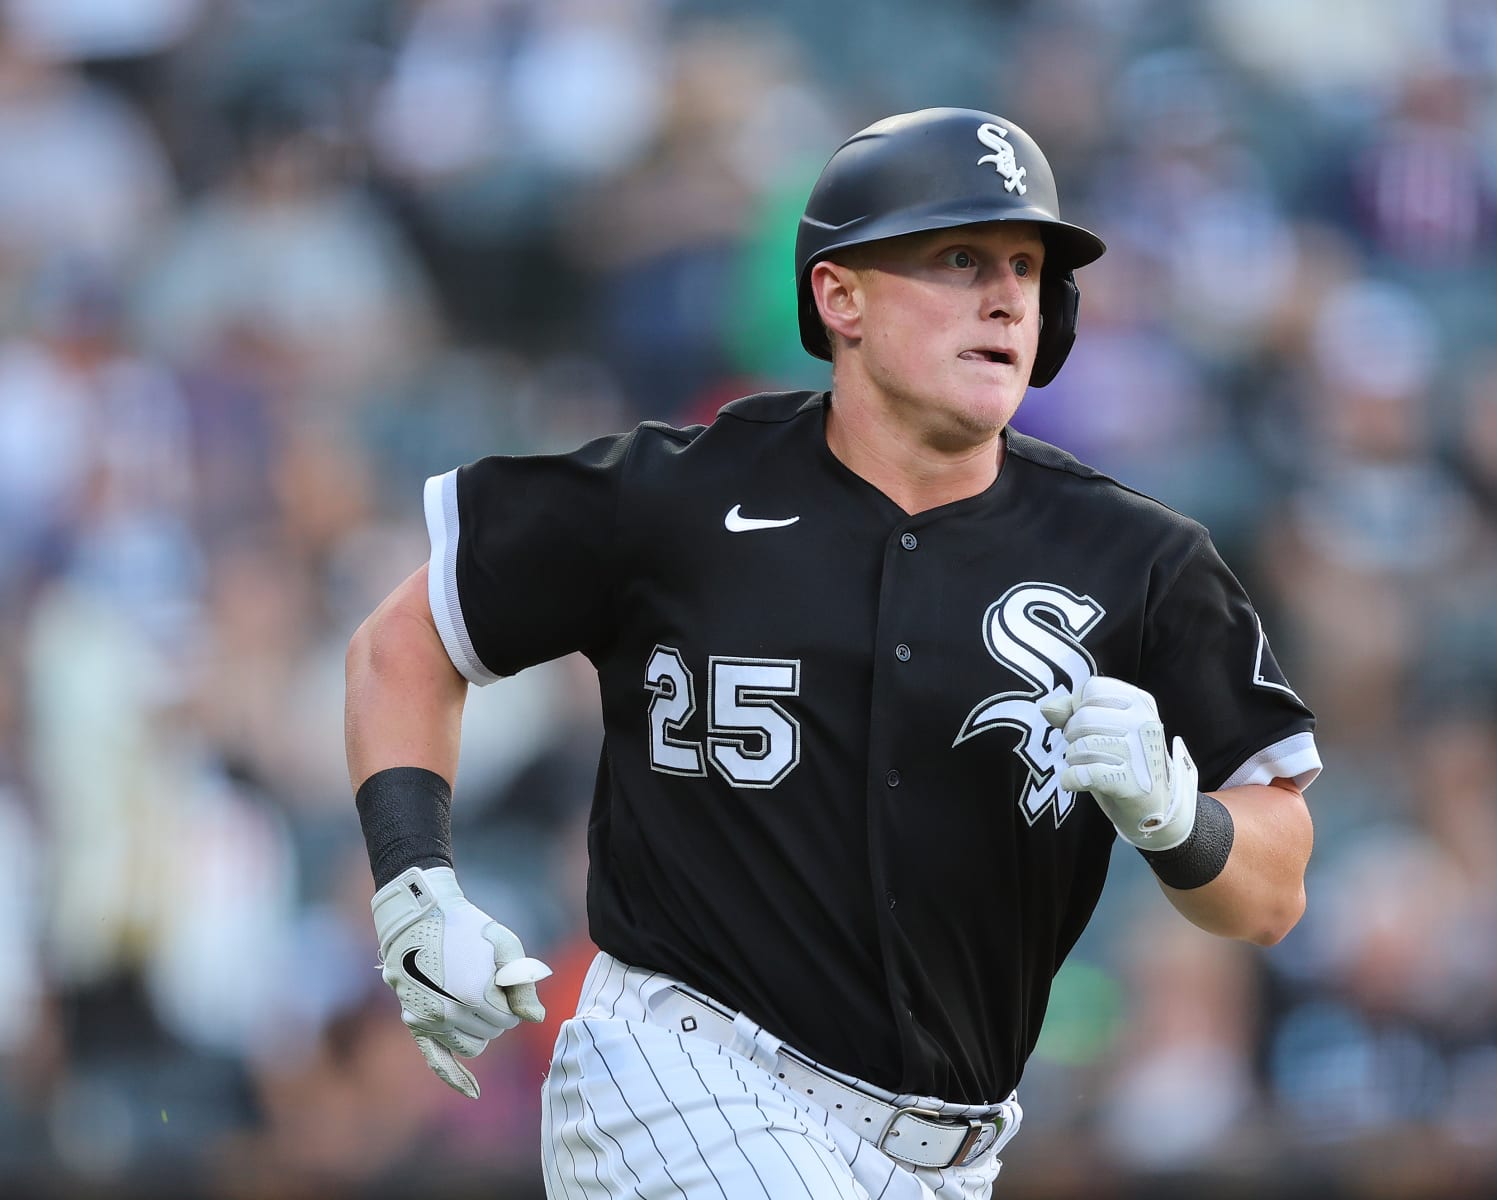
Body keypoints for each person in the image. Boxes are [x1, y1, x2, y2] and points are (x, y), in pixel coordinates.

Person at [344, 107, 1320, 1199]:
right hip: (680, 1071)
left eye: (1027, 266)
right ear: (839, 293)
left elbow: (1275, 892)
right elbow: (407, 638)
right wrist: (413, 886)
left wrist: (1184, 822)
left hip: (952, 1153)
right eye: (959, 258)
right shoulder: (677, 494)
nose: (1007, 295)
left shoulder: (1139, 559)